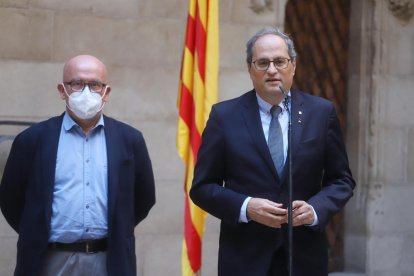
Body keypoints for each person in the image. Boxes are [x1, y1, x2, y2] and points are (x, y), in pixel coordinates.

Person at [190, 27, 355, 275]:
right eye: (262, 62)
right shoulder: (224, 117)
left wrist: (314, 209)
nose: (272, 70)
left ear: (293, 65)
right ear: (249, 68)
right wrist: (247, 207)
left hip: (303, 257)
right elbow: (202, 188)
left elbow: (342, 180)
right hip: (245, 258)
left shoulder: (321, 113)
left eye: (279, 61)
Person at [0, 55, 156, 276]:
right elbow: (10, 200)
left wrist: (117, 228)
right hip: (48, 260)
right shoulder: (32, 140)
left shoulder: (129, 140)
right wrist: (37, 231)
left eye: (94, 85)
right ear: (62, 90)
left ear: (106, 92)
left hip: (109, 260)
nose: (86, 92)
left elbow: (144, 198)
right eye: (76, 83)